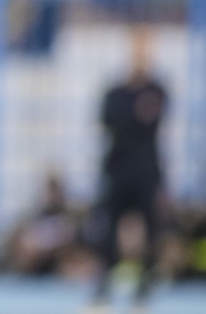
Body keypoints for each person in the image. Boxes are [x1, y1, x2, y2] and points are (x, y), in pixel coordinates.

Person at [83, 26, 169, 314]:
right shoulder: (115, 91)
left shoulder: (158, 90)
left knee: (151, 230)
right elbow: (111, 122)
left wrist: (130, 119)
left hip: (146, 172)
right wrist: (135, 117)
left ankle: (144, 286)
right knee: (107, 229)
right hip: (117, 170)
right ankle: (104, 284)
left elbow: (149, 123)